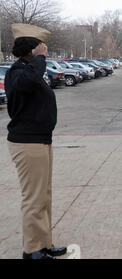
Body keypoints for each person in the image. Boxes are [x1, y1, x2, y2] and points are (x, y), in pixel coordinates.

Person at [5, 23, 67, 259]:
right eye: (41, 46)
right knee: (33, 199)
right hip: (27, 144)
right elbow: (29, 81)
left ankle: (44, 244)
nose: (45, 49)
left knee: (44, 196)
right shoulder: (17, 72)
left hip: (40, 141)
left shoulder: (28, 70)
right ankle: (31, 250)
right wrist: (39, 59)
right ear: (31, 49)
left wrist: (37, 60)